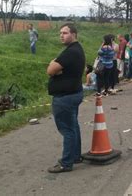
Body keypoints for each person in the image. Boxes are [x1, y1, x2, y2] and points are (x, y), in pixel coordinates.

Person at [46, 23, 85, 173]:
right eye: (60, 33)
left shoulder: (70, 52)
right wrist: (57, 69)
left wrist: (53, 65)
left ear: (74, 34)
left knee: (67, 129)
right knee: (73, 126)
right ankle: (75, 156)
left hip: (65, 97)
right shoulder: (75, 49)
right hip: (74, 93)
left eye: (65, 33)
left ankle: (66, 163)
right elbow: (56, 68)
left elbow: (50, 70)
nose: (62, 35)